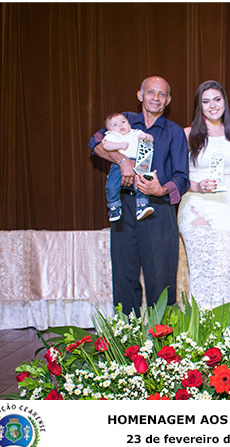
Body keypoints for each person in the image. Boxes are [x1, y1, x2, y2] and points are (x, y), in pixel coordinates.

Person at [88, 76, 189, 316]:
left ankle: (162, 337)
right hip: (124, 208)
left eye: (162, 94)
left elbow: (182, 177)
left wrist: (161, 190)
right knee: (124, 275)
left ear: (168, 100)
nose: (156, 98)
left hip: (158, 208)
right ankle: (126, 335)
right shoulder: (123, 121)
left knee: (161, 280)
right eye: (151, 92)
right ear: (140, 95)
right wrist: (122, 160)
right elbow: (95, 141)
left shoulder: (174, 132)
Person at [178, 80, 230, 311]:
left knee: (225, 271)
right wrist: (197, 186)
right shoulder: (188, 134)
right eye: (206, 101)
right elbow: (176, 176)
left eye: (217, 99)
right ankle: (200, 330)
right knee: (201, 272)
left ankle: (226, 329)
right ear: (199, 106)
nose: (212, 105)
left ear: (225, 101)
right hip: (197, 208)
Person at [103, 113, 155, 222]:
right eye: (115, 125)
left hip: (139, 161)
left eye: (123, 122)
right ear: (110, 130)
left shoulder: (136, 133)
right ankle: (114, 207)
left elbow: (151, 139)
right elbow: (106, 146)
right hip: (119, 164)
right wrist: (119, 145)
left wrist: (146, 137)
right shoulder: (112, 136)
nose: (120, 125)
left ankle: (142, 205)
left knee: (142, 183)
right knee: (112, 184)